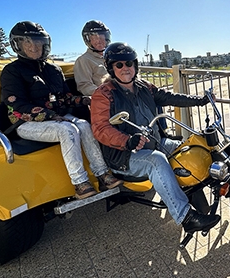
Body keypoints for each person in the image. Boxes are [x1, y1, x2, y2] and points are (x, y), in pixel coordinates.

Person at [90, 42, 221, 233]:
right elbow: (100, 129)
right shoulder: (103, 94)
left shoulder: (144, 86)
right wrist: (127, 140)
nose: (125, 68)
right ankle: (186, 217)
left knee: (189, 146)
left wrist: (200, 101)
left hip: (155, 142)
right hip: (124, 155)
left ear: (135, 65)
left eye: (129, 64)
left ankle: (211, 187)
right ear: (111, 68)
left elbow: (169, 97)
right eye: (119, 65)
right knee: (156, 160)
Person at [0, 21, 122, 199]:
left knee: (84, 125)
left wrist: (88, 99)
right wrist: (49, 115)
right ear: (18, 45)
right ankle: (80, 183)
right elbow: (16, 105)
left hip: (58, 117)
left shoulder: (53, 69)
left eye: (38, 42)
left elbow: (65, 97)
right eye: (28, 42)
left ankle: (103, 174)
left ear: (45, 44)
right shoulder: (11, 71)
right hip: (26, 122)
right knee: (68, 130)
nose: (34, 47)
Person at [74, 20, 111, 96]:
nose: (99, 41)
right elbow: (85, 86)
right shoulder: (83, 60)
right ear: (88, 40)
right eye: (94, 38)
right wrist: (107, 95)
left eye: (101, 37)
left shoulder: (112, 57)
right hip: (105, 102)